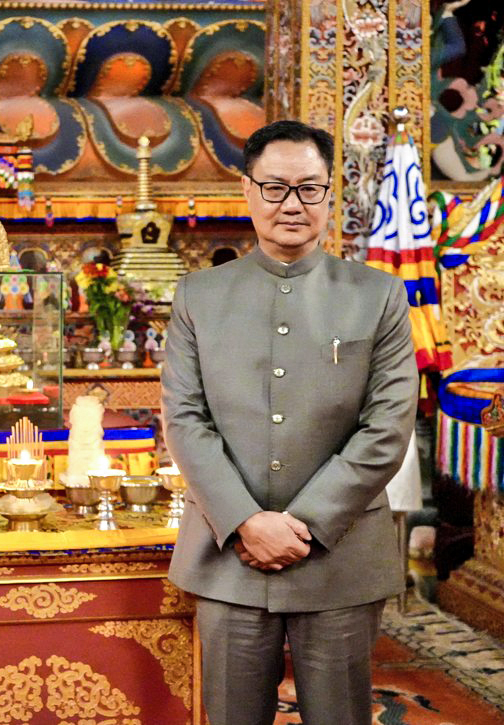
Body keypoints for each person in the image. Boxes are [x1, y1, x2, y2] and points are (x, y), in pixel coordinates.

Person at [162, 120, 418, 725]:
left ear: (330, 193)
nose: (292, 204)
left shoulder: (378, 296)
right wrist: (246, 522)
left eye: (309, 188)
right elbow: (185, 419)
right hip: (230, 555)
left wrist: (302, 525)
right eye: (275, 188)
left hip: (339, 555)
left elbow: (387, 427)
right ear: (247, 190)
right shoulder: (199, 296)